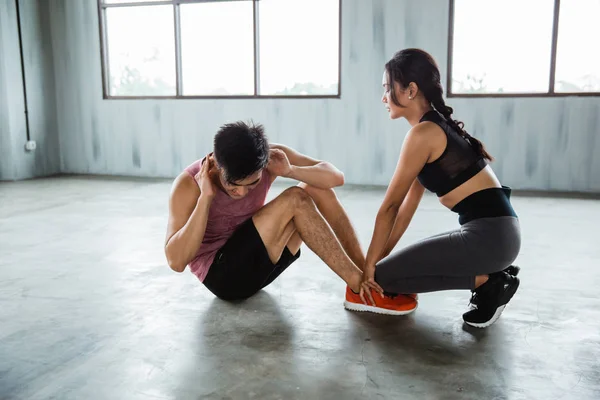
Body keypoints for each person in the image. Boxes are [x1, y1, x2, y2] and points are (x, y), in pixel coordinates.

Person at [343, 48, 521, 328]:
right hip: (498, 237)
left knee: (383, 278)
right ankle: (491, 278)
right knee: (383, 273)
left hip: (490, 240)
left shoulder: (422, 135)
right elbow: (405, 209)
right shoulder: (433, 127)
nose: (383, 97)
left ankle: (490, 283)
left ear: (410, 90)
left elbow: (388, 208)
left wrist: (370, 270)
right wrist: (377, 262)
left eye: (388, 88)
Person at [164, 120, 417, 312]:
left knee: (313, 186)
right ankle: (360, 289)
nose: (241, 192)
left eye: (252, 185)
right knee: (295, 199)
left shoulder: (271, 158)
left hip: (259, 265)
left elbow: (335, 177)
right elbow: (176, 262)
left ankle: (366, 275)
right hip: (222, 278)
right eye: (233, 185)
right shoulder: (188, 185)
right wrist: (205, 198)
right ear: (217, 164)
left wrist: (291, 170)